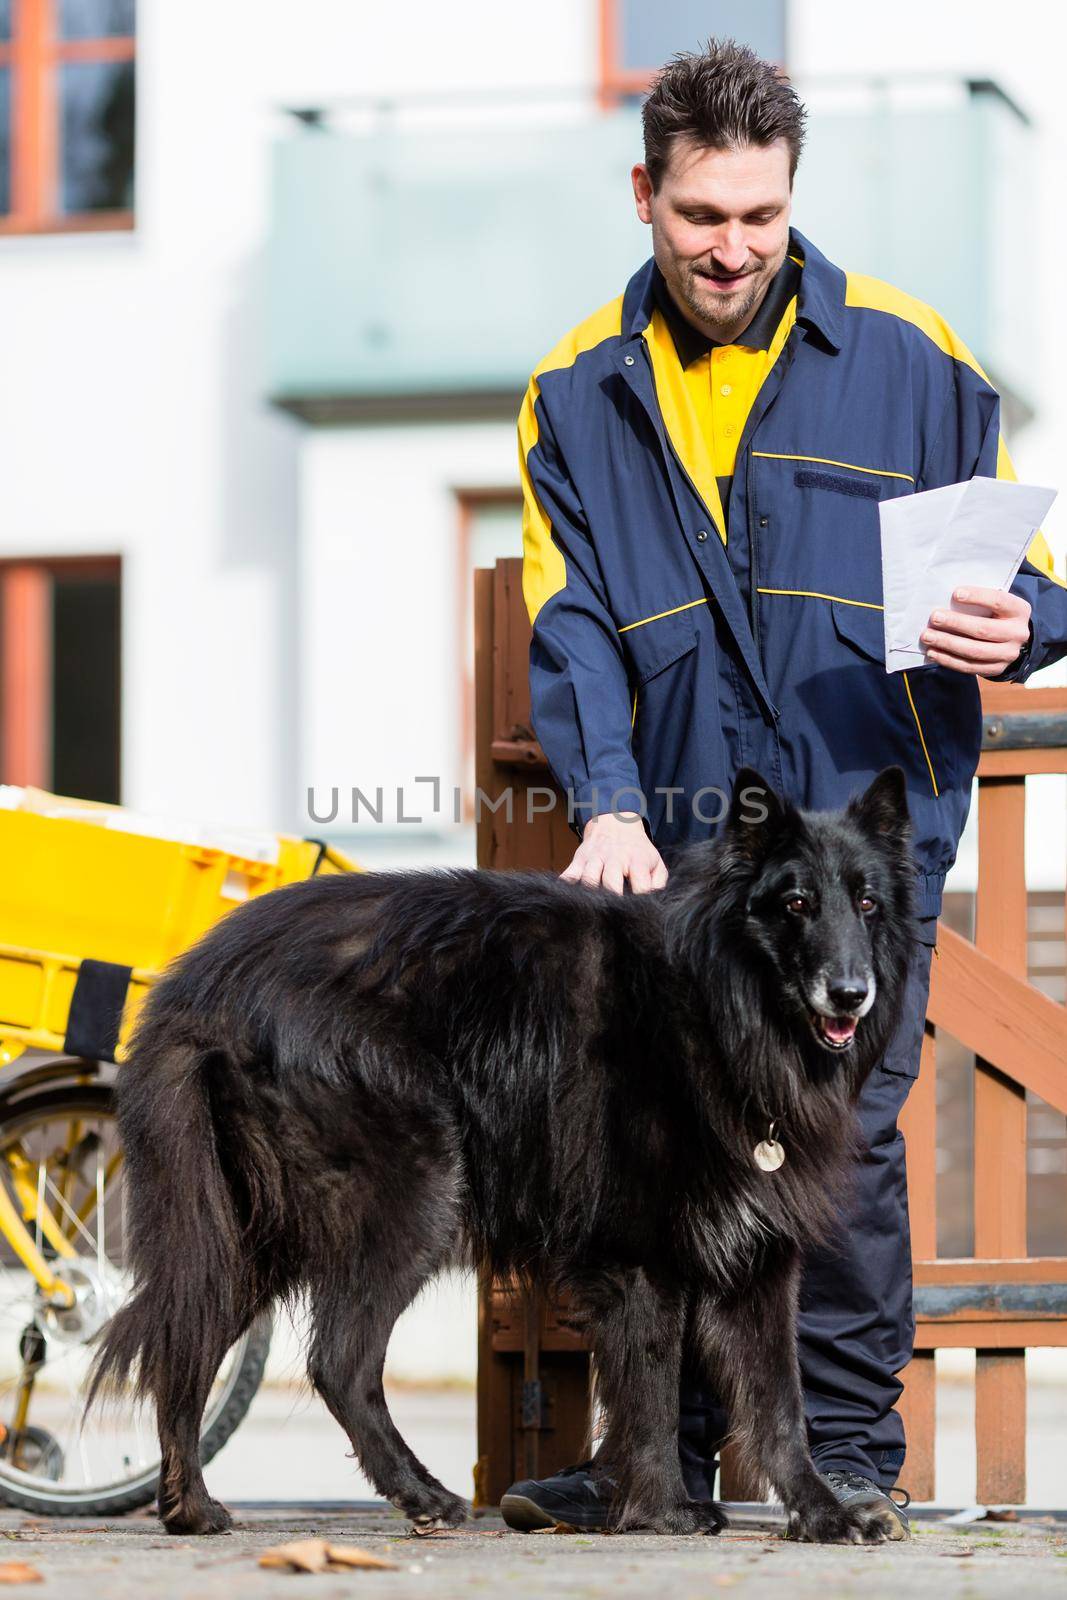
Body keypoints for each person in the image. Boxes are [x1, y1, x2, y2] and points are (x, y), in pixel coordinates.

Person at [504, 39, 1067, 1540]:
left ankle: (849, 1463)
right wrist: (607, 802)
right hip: (687, 849)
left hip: (867, 841)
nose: (732, 249)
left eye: (759, 215)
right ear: (646, 194)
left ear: (792, 194)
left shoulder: (918, 359)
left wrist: (1027, 621)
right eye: (700, 215)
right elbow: (570, 625)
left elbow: (1030, 582)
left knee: (851, 1144)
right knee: (664, 1141)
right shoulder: (575, 391)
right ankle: (664, 1472)